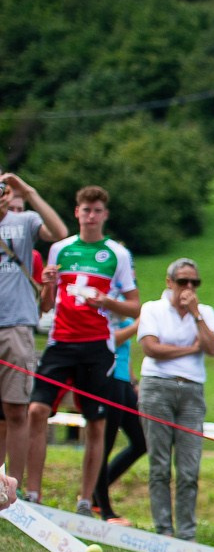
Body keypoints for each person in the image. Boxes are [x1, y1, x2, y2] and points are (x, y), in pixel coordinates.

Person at [24, 186, 138, 512]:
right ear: (77, 212)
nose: (91, 216)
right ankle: (33, 494)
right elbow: (47, 305)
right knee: (36, 410)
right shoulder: (60, 249)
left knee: (96, 421)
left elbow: (135, 307)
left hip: (97, 345)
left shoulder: (117, 254)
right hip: (60, 341)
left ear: (105, 215)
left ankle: (85, 500)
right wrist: (47, 285)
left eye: (97, 210)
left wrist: (106, 302)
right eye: (86, 210)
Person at [135, 258, 214, 540]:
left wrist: (196, 315)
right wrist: (189, 350)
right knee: (159, 464)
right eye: (183, 281)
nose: (189, 287)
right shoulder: (152, 308)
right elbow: (151, 348)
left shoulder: (205, 312)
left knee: (189, 467)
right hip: (157, 386)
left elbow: (212, 348)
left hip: (192, 390)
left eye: (195, 282)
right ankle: (163, 529)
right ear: (169, 282)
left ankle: (186, 532)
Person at [1, 172, 68, 484]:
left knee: (16, 410)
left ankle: (12, 490)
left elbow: (59, 232)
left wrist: (28, 191)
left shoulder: (24, 220)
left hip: (16, 327)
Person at [89, 312, 147, 523]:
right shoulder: (105, 304)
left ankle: (94, 493)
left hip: (123, 381)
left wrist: (134, 382)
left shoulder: (123, 307)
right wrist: (136, 326)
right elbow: (109, 340)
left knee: (142, 441)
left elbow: (125, 352)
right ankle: (104, 509)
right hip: (108, 378)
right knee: (105, 444)